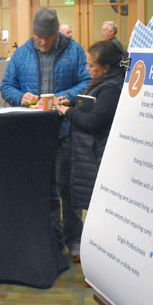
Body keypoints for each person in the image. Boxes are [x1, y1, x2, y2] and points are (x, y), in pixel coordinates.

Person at [1, 7, 90, 259]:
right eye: (37, 37)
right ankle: (52, 238)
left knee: (68, 187)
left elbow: (86, 82)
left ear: (56, 34)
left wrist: (65, 97)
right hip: (35, 132)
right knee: (44, 187)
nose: (41, 42)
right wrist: (20, 97)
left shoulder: (74, 51)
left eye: (47, 38)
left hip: (65, 130)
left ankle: (75, 239)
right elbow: (6, 86)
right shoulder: (22, 53)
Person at [56, 41, 127, 260]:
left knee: (98, 206)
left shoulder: (112, 87)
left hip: (97, 154)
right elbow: (92, 103)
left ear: (105, 67)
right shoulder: (104, 81)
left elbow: (94, 121)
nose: (88, 69)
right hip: (90, 152)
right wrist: (73, 102)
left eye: (92, 66)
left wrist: (67, 112)